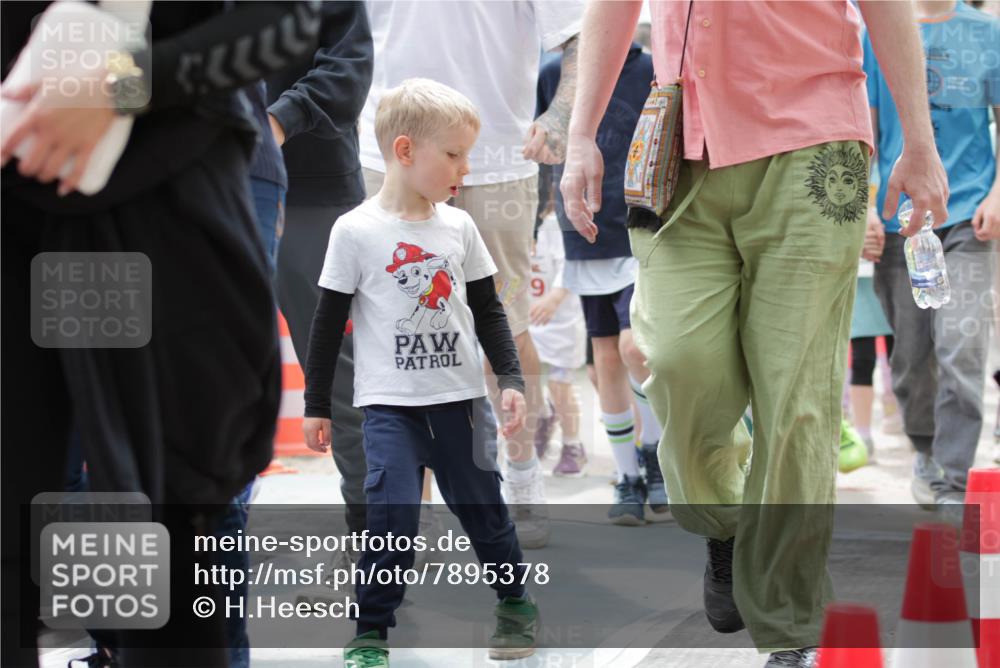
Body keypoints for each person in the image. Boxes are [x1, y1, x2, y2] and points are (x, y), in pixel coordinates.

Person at [561, 1, 948, 665]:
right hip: (681, 150)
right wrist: (579, 135)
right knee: (679, 360)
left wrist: (919, 140)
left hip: (815, 146)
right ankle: (725, 521)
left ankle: (790, 627)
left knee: (794, 393)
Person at [1, 2, 323, 665]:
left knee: (169, 506)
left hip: (159, 202)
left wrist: (118, 83)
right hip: (20, 188)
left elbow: (287, 20)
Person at [302, 79, 538, 667]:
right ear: (405, 151)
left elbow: (488, 309)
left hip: (459, 403)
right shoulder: (354, 232)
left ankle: (514, 605)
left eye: (469, 154)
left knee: (485, 512)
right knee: (390, 519)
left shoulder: (458, 228)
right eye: (454, 154)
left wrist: (510, 381)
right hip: (388, 409)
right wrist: (316, 405)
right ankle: (370, 632)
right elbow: (327, 326)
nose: (466, 167)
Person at [357, 0, 586, 549]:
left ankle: (524, 474)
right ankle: (417, 507)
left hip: (497, 162)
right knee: (407, 336)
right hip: (390, 158)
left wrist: (558, 116)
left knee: (504, 331)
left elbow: (579, 35)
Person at [864, 0, 1000, 508]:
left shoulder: (987, 33)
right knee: (912, 357)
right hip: (902, 222)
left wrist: (998, 192)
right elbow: (866, 134)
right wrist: (866, 207)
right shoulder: (876, 29)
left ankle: (954, 475)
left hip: (968, 219)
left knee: (961, 344)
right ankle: (925, 447)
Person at [538, 39, 667, 524]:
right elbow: (547, 141)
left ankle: (653, 449)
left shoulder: (654, 66)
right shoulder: (557, 72)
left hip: (643, 225)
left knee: (639, 348)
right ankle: (628, 475)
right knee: (606, 359)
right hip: (585, 229)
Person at [528, 213, 588, 476]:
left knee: (559, 382)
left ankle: (573, 445)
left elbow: (572, 263)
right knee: (524, 377)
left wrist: (555, 298)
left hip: (561, 316)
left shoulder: (556, 221)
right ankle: (543, 415)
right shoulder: (515, 219)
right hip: (526, 312)